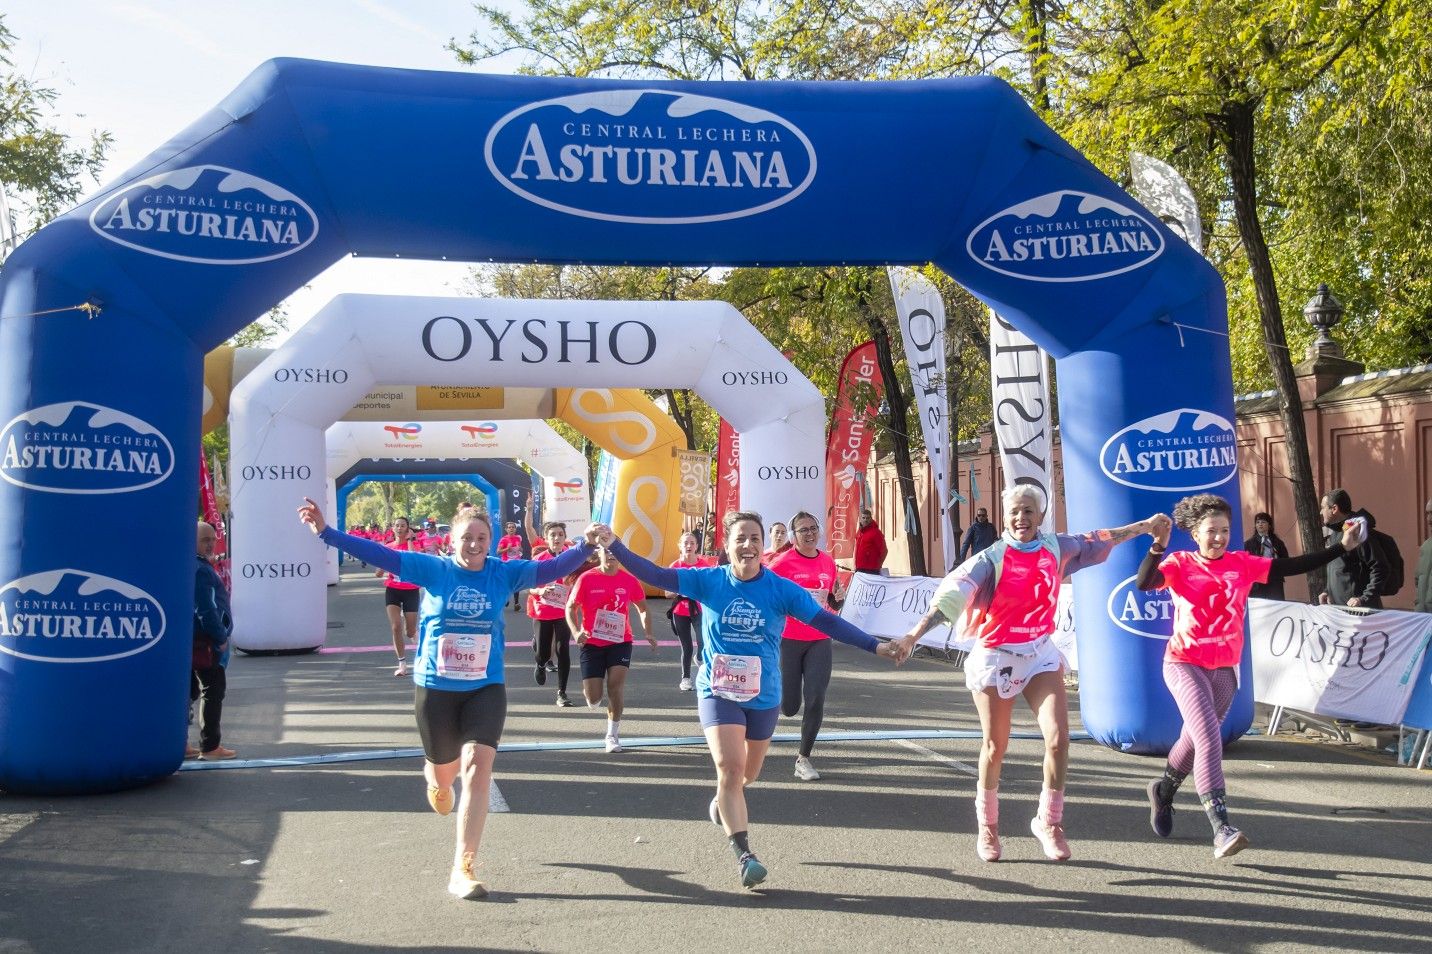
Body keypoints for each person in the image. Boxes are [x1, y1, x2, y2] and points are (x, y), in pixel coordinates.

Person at [298, 498, 595, 900]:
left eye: (481, 538)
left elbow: (550, 568)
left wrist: (585, 546)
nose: (474, 544)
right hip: (436, 688)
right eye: (467, 538)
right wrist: (325, 533)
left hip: (485, 687)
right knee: (444, 776)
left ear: (491, 541)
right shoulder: (434, 569)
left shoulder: (502, 573)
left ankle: (464, 866)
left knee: (476, 766)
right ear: (451, 540)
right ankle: (436, 781)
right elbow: (378, 552)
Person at [594, 512, 905, 889]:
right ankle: (744, 854)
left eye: (755, 538)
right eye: (740, 538)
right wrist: (615, 544)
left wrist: (877, 646)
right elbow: (656, 575)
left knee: (747, 775)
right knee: (728, 766)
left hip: (763, 694)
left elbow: (827, 622)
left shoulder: (780, 589)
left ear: (764, 545)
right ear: (726, 546)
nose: (748, 545)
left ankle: (725, 800)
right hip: (717, 689)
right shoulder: (708, 580)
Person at [893, 486, 1163, 864]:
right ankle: (988, 827)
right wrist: (913, 635)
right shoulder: (990, 560)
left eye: (1029, 512)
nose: (1022, 519)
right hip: (996, 657)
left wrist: (1146, 526)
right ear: (1006, 516)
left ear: (1040, 515)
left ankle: (1048, 822)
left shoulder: (1057, 548)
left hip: (1039, 654)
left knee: (1058, 740)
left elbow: (1100, 538)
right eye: (1015, 512)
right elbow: (950, 598)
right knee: (995, 747)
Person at [1137, 494, 1363, 858]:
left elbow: (1291, 566)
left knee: (1194, 741)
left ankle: (1162, 793)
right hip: (1184, 663)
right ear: (1195, 533)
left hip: (1224, 668)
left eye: (1225, 531)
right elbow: (1144, 583)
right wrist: (1157, 546)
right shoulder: (1180, 562)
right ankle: (1221, 827)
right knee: (1210, 737)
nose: (1219, 538)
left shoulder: (1241, 563)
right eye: (1211, 531)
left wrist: (1342, 547)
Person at [769, 511, 846, 781]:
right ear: (794, 536)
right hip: (789, 639)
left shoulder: (828, 562)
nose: (811, 533)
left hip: (819, 639)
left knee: (816, 697)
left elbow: (831, 602)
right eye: (804, 530)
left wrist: (838, 599)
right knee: (789, 707)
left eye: (814, 528)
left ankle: (804, 759)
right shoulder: (781, 564)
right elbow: (766, 595)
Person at [566, 545, 655, 753]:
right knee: (593, 697)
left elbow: (642, 607)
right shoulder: (587, 578)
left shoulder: (629, 580)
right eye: (608, 553)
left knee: (615, 687)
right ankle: (592, 697)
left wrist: (648, 632)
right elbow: (571, 607)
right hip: (592, 643)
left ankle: (612, 735)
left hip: (620, 641)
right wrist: (576, 631)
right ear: (600, 555)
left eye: (616, 554)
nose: (612, 557)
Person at [191, 521, 236, 761]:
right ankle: (209, 747)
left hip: (194, 638)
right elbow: (205, 608)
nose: (210, 544)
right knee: (213, 690)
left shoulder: (196, 565)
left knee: (188, 691)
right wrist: (219, 637)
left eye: (212, 538)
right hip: (205, 640)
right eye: (204, 540)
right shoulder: (200, 569)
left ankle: (182, 743)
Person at [530, 520, 581, 707]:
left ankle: (562, 692)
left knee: (563, 650)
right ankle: (541, 663)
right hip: (543, 610)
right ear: (546, 538)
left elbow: (581, 580)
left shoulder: (572, 558)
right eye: (553, 535)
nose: (557, 538)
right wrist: (540, 591)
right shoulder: (539, 560)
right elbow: (529, 587)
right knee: (543, 653)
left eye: (560, 534)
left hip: (564, 611)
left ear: (565, 538)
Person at [1319, 488, 1389, 608]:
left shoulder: (1358, 530)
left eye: (1323, 507)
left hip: (1359, 612)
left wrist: (1363, 598)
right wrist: (1328, 590)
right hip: (1339, 610)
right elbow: (1340, 568)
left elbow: (1380, 568)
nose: (1321, 512)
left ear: (1334, 509)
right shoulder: (1336, 532)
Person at [667, 531, 712, 690]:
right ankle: (686, 678)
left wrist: (697, 591)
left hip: (699, 609)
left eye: (692, 543)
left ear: (697, 546)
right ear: (680, 546)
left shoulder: (704, 565)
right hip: (680, 611)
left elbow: (710, 588)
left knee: (703, 642)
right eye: (685, 543)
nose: (689, 546)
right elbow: (667, 593)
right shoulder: (675, 566)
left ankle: (699, 658)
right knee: (686, 647)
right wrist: (681, 590)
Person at [378, 516, 421, 676]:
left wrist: (409, 540)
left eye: (403, 525)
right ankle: (402, 664)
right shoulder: (388, 547)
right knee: (396, 626)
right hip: (393, 590)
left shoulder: (414, 545)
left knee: (409, 631)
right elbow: (378, 572)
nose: (399, 528)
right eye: (397, 525)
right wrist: (381, 567)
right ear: (393, 529)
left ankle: (414, 635)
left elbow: (413, 559)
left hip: (410, 590)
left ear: (408, 528)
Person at [1243, 512, 1290, 600]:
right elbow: (1245, 563)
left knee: (1276, 604)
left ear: (1269, 525)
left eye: (1263, 522)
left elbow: (1285, 560)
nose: (1260, 524)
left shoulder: (1278, 543)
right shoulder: (1249, 544)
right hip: (1257, 581)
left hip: (1275, 578)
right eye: (1258, 522)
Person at [498, 521, 525, 609]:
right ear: (506, 529)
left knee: (516, 583)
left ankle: (516, 603)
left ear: (515, 529)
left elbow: (521, 550)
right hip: (506, 564)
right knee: (507, 583)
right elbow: (498, 552)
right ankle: (506, 599)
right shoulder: (504, 539)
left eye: (513, 527)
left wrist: (520, 548)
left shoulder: (518, 538)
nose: (511, 529)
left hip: (516, 563)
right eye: (509, 527)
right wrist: (507, 549)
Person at [853, 508, 888, 574]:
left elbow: (884, 551)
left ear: (871, 519)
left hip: (871, 570)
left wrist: (878, 565)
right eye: (863, 518)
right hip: (859, 568)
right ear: (861, 519)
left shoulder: (876, 533)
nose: (865, 520)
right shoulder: (859, 532)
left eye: (867, 518)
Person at [1417, 499, 1432, 613]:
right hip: (1424, 618)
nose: (1429, 519)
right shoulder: (1426, 546)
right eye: (1428, 513)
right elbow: (1419, 580)